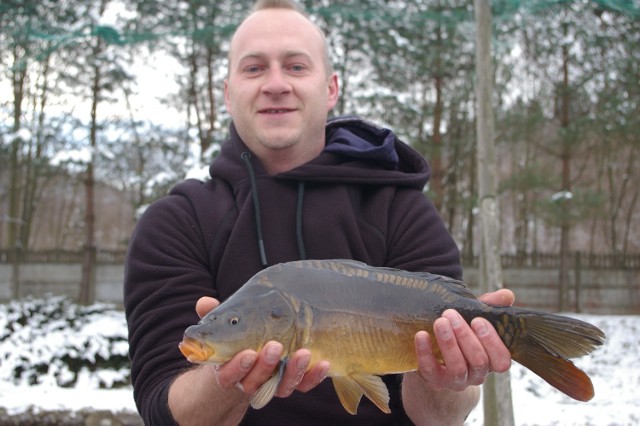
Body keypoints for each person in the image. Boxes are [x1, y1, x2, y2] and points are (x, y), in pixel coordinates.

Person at [124, 0, 515, 424]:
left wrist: (449, 376)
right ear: (227, 93)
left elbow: (439, 418)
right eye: (254, 68)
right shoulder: (175, 222)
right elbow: (161, 408)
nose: (276, 84)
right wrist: (225, 378)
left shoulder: (402, 210)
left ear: (330, 88)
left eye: (295, 66)